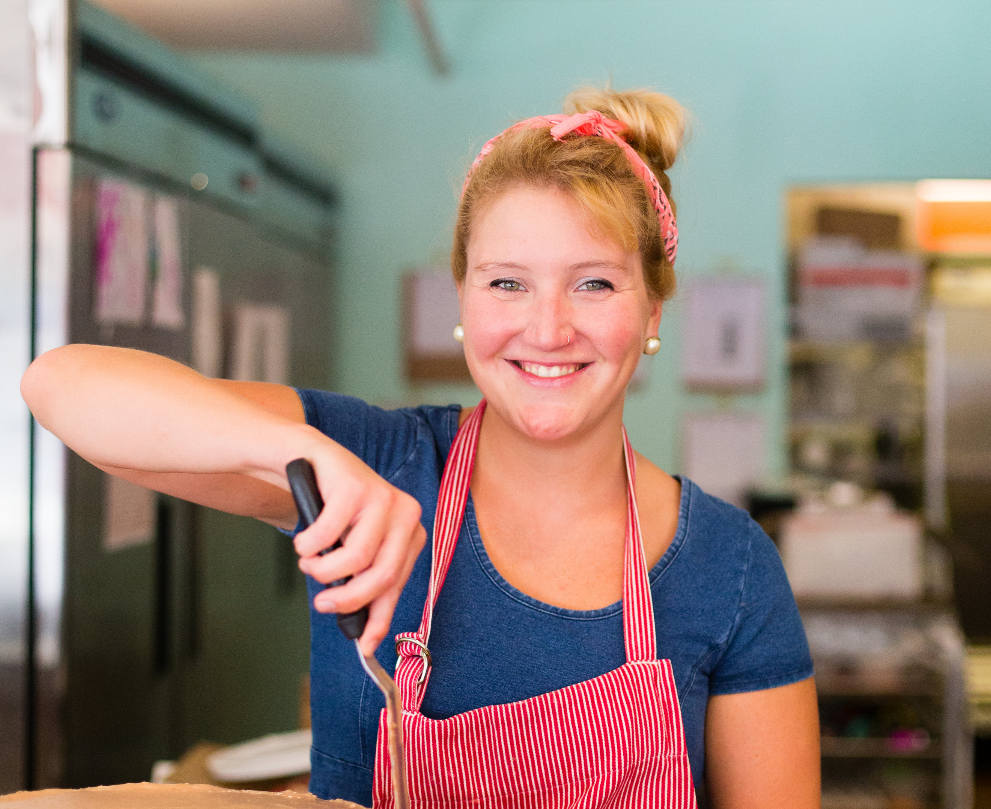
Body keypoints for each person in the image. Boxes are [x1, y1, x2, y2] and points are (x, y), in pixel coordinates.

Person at [22, 87, 819, 808]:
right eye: (506, 282)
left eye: (593, 283)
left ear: (651, 310)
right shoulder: (377, 460)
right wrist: (302, 449)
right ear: (463, 299)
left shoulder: (731, 567)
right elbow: (61, 385)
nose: (546, 329)